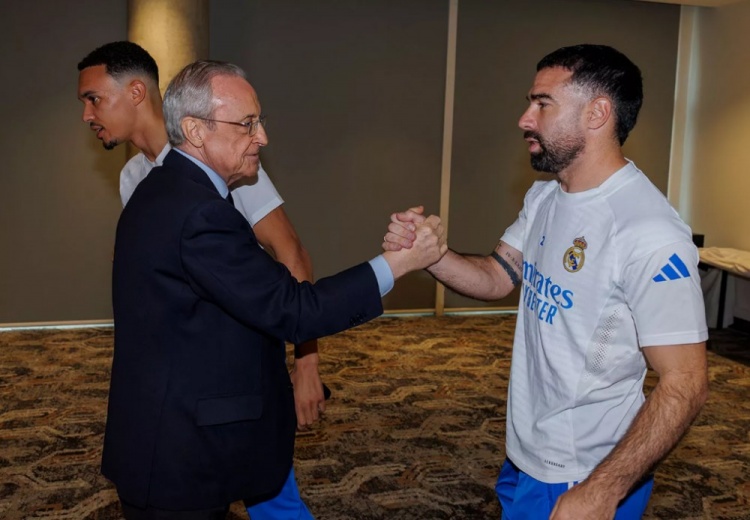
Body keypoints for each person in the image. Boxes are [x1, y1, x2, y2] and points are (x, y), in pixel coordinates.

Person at [100, 58, 447, 519]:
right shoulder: (198, 212)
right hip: (177, 456)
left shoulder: (167, 190)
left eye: (260, 121)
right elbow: (295, 309)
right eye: (246, 124)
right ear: (195, 130)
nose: (262, 136)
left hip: (172, 433)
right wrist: (400, 263)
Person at [384, 44, 708, 519]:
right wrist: (431, 256)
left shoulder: (649, 233)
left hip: (586, 468)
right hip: (527, 450)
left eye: (542, 104)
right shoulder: (546, 197)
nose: (525, 119)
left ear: (597, 113)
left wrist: (602, 490)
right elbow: (497, 277)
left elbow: (686, 383)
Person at [77, 42, 326, 520]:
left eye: (94, 99)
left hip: (245, 370)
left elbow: (290, 251)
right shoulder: (134, 176)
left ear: (136, 92)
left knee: (274, 499)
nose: (87, 114)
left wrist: (307, 363)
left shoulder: (224, 154)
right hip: (191, 385)